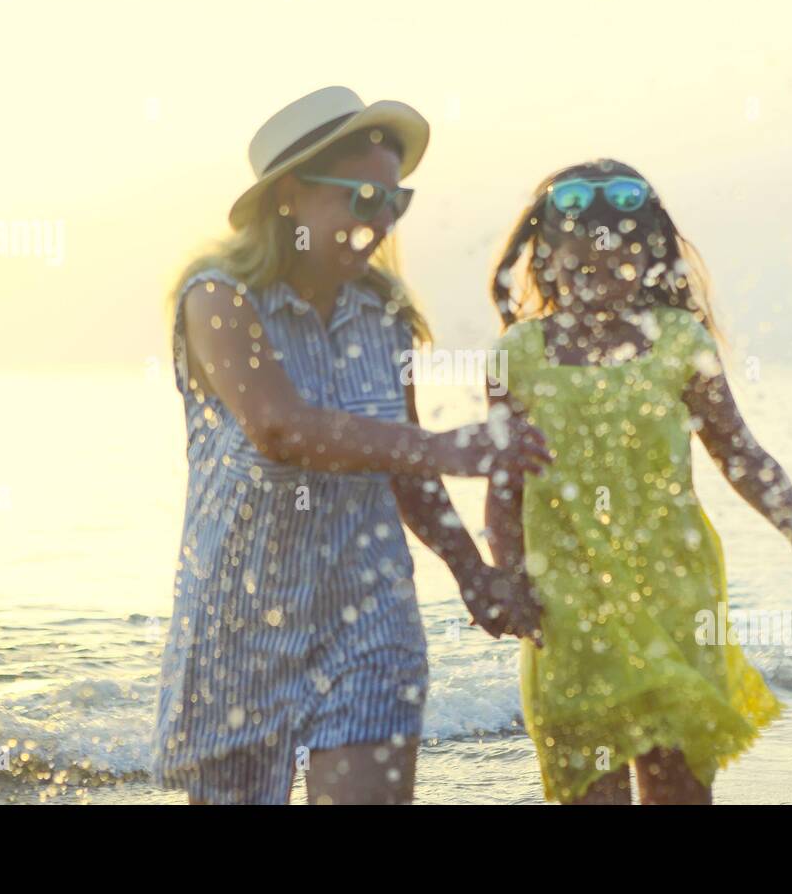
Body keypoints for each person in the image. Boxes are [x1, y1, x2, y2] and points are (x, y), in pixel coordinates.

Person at [152, 87, 550, 805]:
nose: (383, 220)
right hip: (239, 627)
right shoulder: (217, 298)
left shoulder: (386, 312)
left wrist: (474, 571)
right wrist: (449, 448)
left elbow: (403, 464)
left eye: (396, 201)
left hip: (371, 619)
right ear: (289, 198)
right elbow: (281, 428)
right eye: (364, 198)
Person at [485, 159, 792, 804]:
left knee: (678, 788)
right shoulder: (516, 355)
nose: (599, 277)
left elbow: (737, 450)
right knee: (589, 786)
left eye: (617, 262)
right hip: (567, 600)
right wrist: (502, 574)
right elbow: (503, 485)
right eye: (581, 264)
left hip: (676, 591)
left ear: (647, 259)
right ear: (545, 259)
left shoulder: (678, 340)